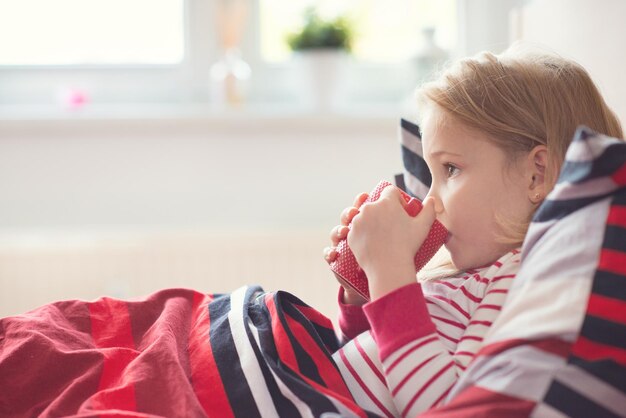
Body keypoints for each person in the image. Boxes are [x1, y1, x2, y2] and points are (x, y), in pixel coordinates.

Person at [323, 43, 624, 417]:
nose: (432, 202)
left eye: (450, 169)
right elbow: (374, 373)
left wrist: (390, 274)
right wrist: (360, 294)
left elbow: (445, 407)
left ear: (537, 174)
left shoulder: (516, 279)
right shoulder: (465, 278)